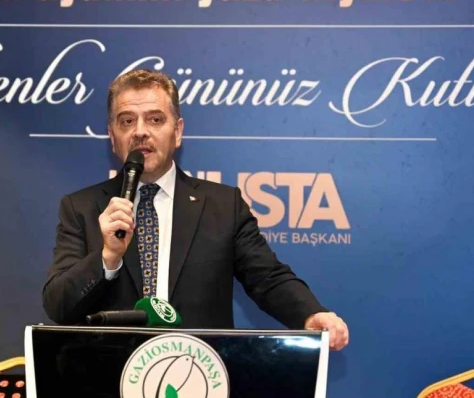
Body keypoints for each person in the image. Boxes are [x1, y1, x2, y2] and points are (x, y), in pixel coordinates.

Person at [42, 69, 350, 351]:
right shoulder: (82, 207)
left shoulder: (223, 205)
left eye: (155, 119)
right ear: (112, 136)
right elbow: (58, 305)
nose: (140, 132)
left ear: (177, 131)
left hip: (201, 372)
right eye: (127, 121)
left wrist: (311, 314)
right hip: (111, 375)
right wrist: (107, 257)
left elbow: (267, 278)